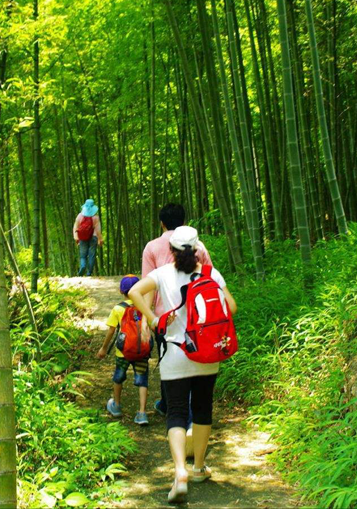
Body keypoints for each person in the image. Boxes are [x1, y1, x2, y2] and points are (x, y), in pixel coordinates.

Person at [129, 226, 237, 504]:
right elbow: (232, 307)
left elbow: (135, 292)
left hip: (175, 354)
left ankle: (180, 472)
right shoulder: (211, 273)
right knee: (202, 409)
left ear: (172, 250)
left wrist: (153, 319)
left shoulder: (162, 273)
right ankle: (198, 467)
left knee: (176, 412)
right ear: (198, 248)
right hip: (207, 354)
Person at [141, 203, 212, 418]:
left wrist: (146, 319)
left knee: (167, 358)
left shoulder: (152, 247)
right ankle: (187, 408)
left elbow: (147, 286)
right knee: (194, 355)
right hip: (197, 313)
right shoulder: (198, 246)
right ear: (184, 222)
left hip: (165, 316)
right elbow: (209, 279)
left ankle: (171, 406)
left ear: (161, 223)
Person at [97, 275, 150, 426]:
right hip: (142, 351)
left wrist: (104, 348)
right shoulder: (144, 306)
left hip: (123, 352)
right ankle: (142, 413)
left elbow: (111, 331)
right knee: (142, 381)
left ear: (121, 291)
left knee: (118, 377)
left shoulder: (118, 309)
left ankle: (116, 406)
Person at [73, 199, 103, 276]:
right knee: (91, 255)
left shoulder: (80, 215)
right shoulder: (96, 217)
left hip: (82, 237)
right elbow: (98, 230)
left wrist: (76, 237)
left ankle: (83, 266)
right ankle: (89, 272)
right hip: (93, 237)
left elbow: (75, 227)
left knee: (83, 255)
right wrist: (100, 239)